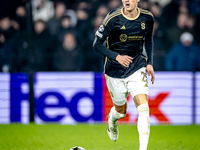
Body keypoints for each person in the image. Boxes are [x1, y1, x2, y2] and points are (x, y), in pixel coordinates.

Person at [93, 0, 155, 150]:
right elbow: (96, 44)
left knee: (143, 109)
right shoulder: (112, 18)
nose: (126, 0)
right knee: (121, 112)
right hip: (114, 71)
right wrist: (117, 56)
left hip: (137, 67)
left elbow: (148, 39)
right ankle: (112, 121)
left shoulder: (147, 18)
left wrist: (149, 62)